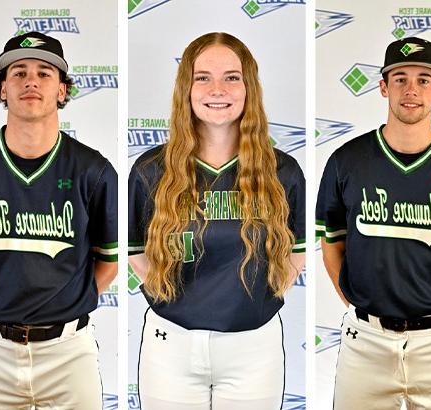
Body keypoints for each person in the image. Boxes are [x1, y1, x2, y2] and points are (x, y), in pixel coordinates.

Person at [0, 31, 118, 409]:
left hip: (69, 352)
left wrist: (66, 302)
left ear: (62, 90)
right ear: (2, 89)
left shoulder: (93, 170)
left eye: (44, 73)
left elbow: (109, 260)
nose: (31, 81)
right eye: (18, 72)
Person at [128, 32, 306, 410]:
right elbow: (136, 253)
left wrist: (254, 302)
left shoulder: (283, 171)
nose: (217, 89)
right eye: (203, 77)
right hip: (170, 345)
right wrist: (175, 303)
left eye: (232, 77)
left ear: (249, 88)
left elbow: (296, 255)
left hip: (253, 345)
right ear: (186, 89)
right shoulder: (149, 170)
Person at [316, 37, 431, 409]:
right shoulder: (346, 162)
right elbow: (332, 243)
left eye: (424, 79)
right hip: (365, 343)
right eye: (400, 79)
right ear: (383, 87)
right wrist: (359, 305)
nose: (411, 90)